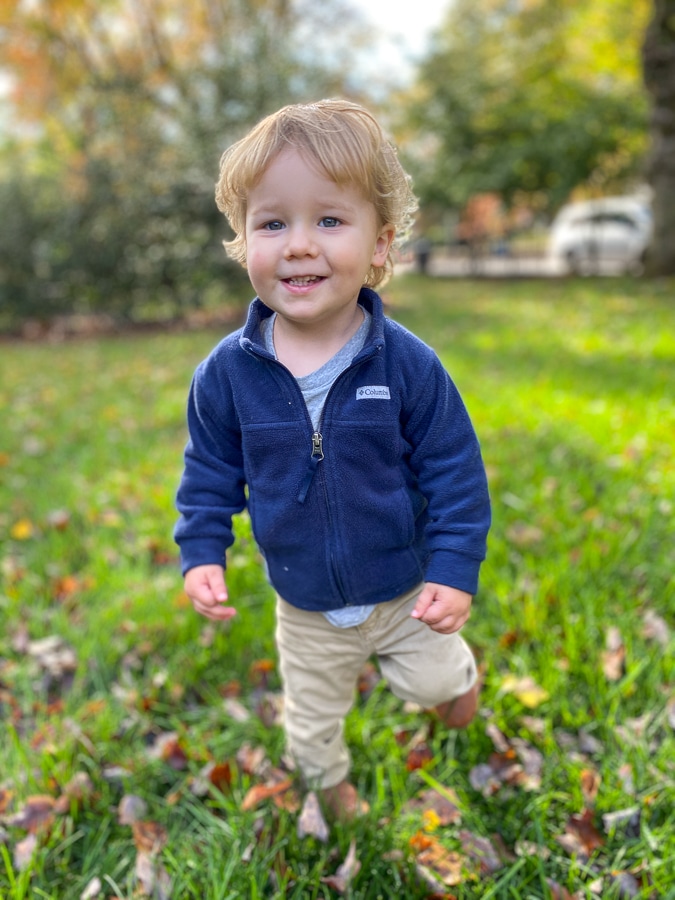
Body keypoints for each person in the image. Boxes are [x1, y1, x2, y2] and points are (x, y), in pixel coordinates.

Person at [174, 99, 491, 821]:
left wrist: (452, 569)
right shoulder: (226, 375)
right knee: (310, 722)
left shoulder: (407, 365)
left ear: (380, 245)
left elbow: (454, 472)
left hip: (405, 590)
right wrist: (202, 551)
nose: (298, 245)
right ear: (243, 241)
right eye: (272, 224)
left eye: (328, 220)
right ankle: (333, 794)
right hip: (306, 601)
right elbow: (209, 472)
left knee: (434, 687)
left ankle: (457, 685)